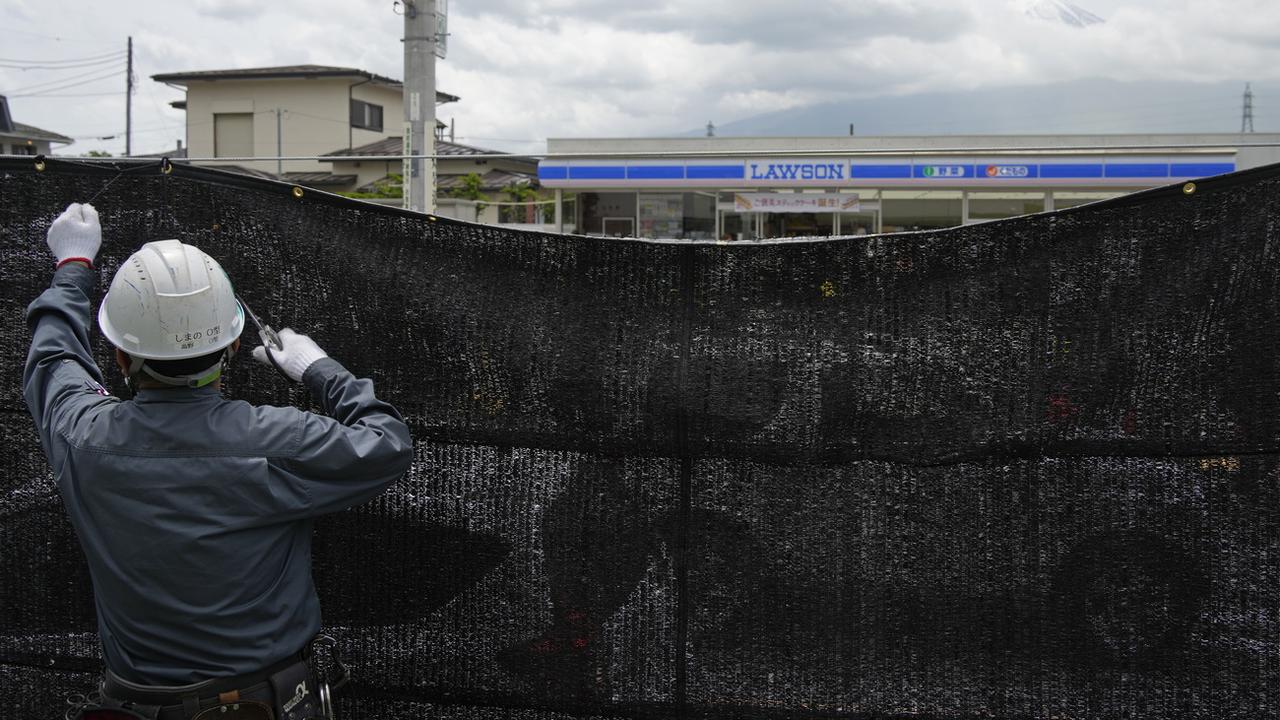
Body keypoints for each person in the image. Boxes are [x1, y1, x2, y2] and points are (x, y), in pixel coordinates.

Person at [24, 203, 414, 719]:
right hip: (269, 701)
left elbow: (53, 358)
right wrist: (317, 369)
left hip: (132, 704)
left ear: (119, 355)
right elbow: (388, 442)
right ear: (232, 345)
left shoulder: (82, 434)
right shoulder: (278, 439)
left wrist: (73, 265)